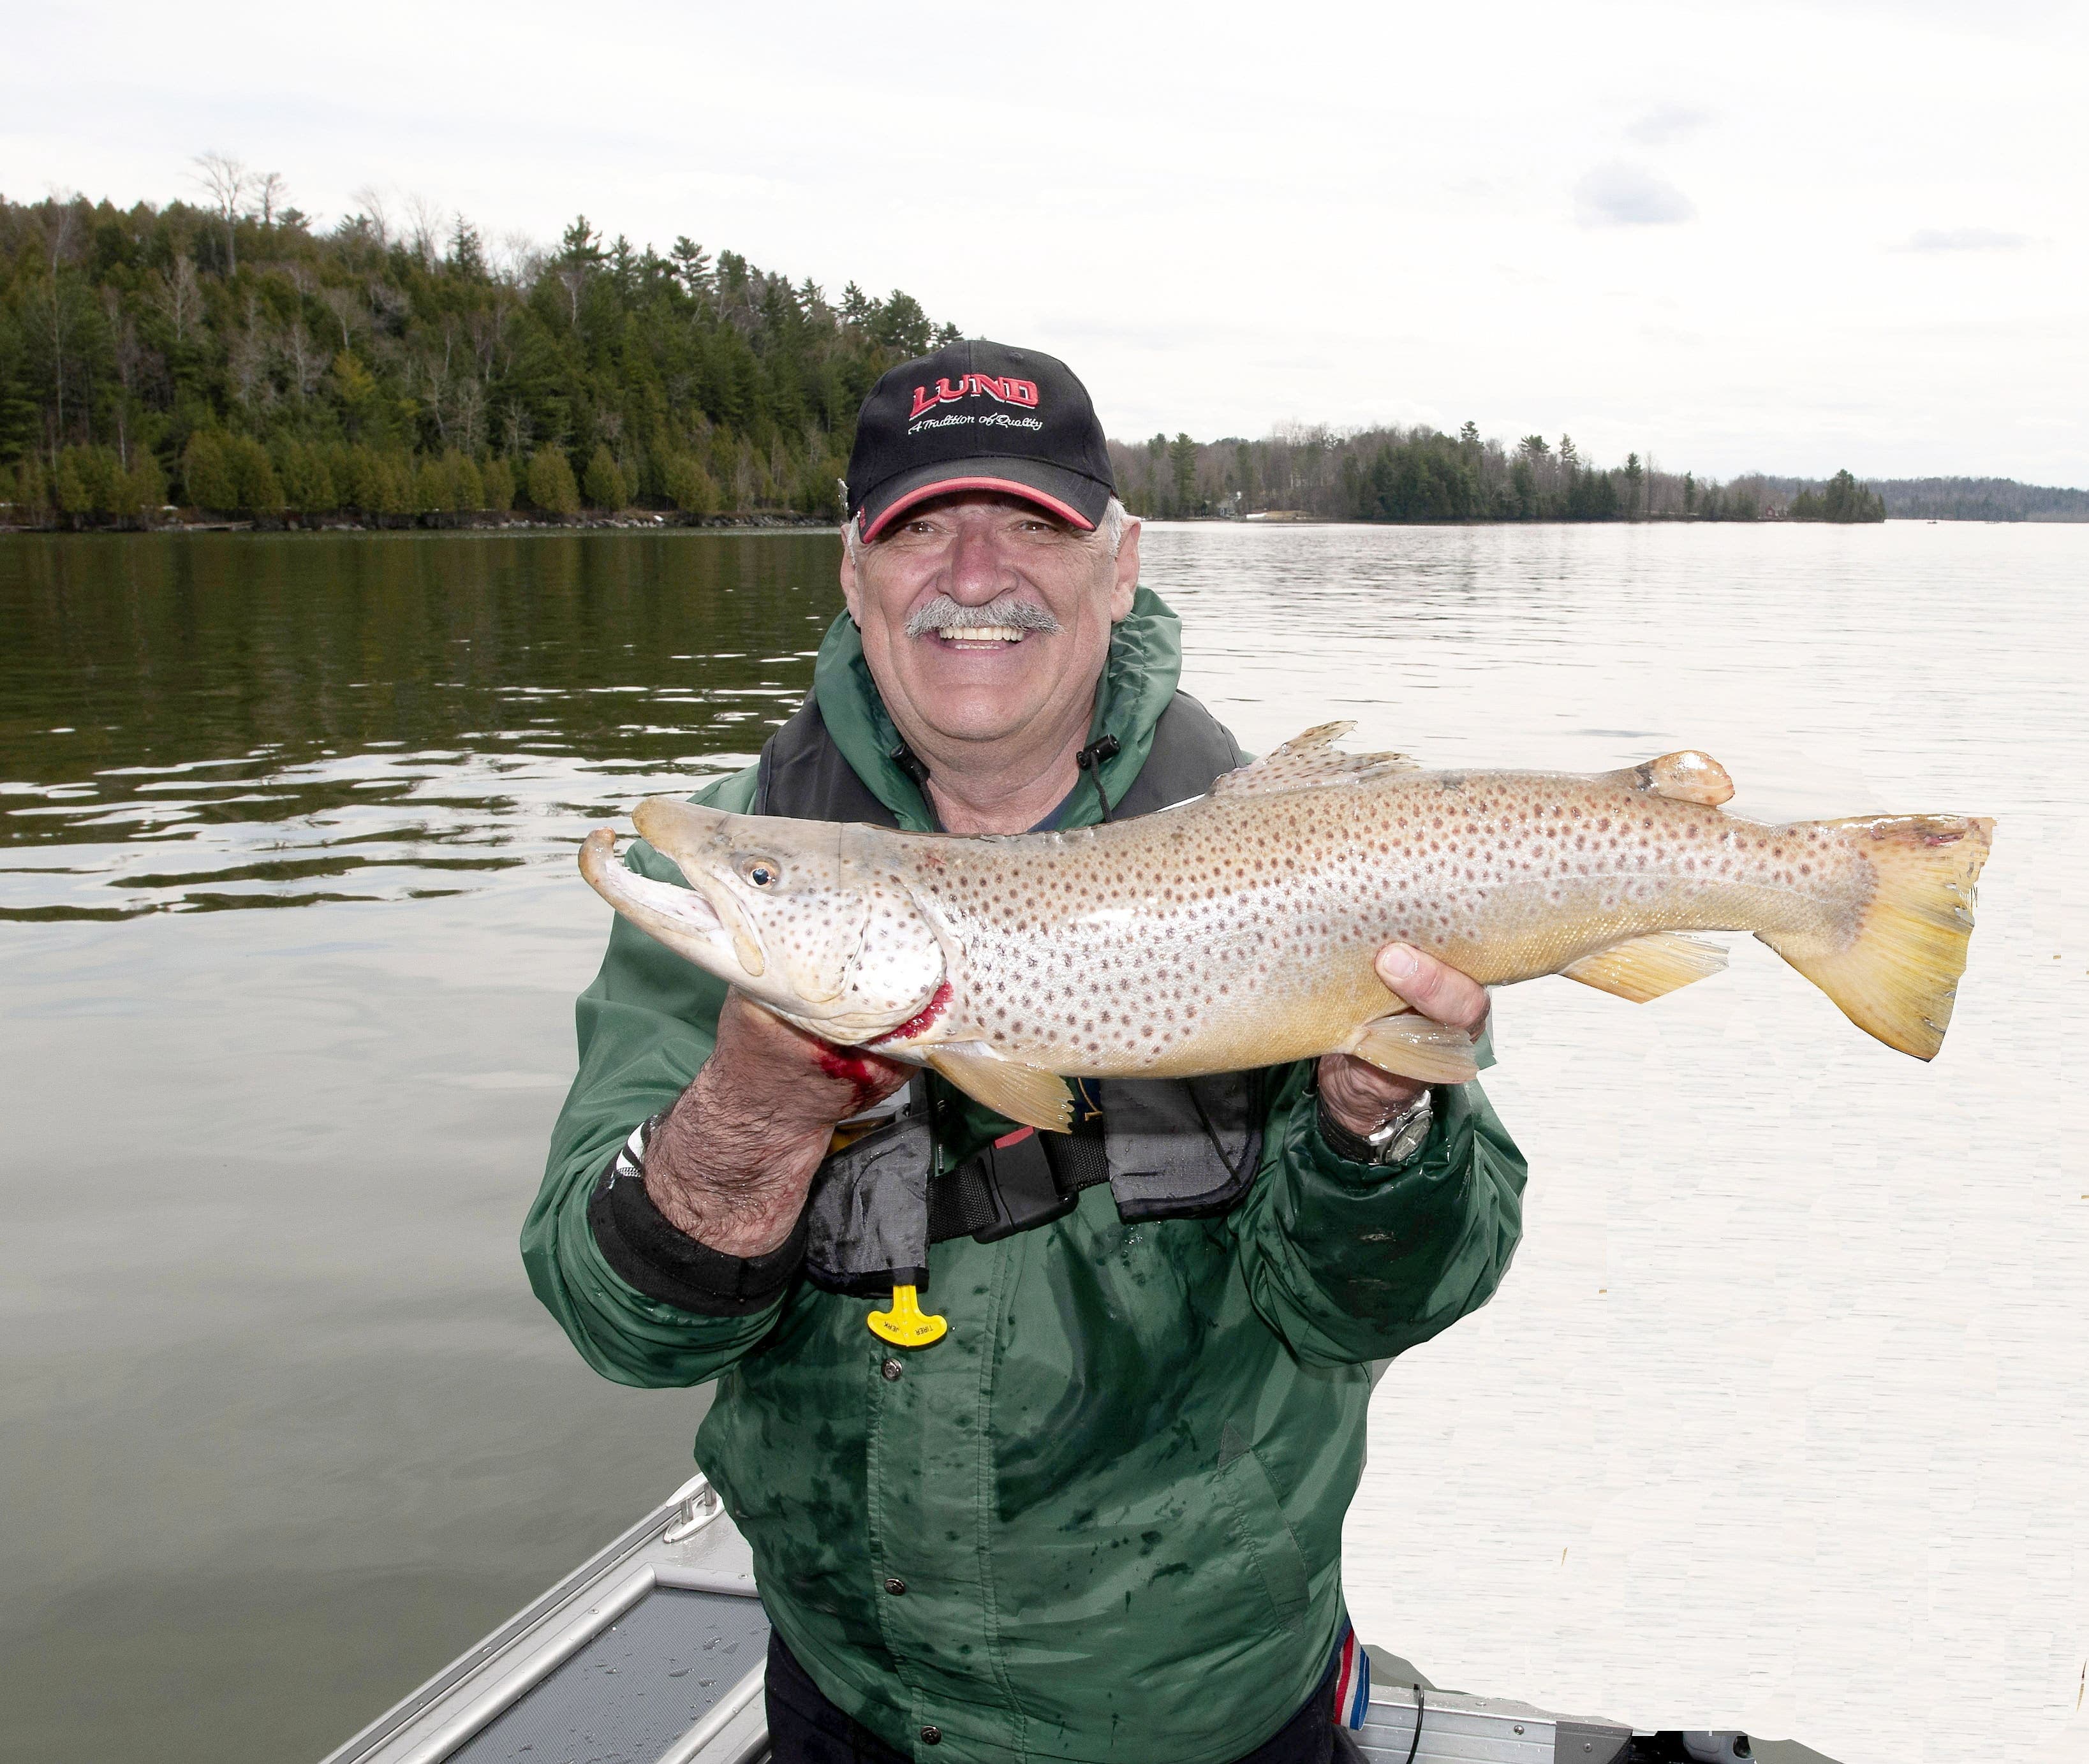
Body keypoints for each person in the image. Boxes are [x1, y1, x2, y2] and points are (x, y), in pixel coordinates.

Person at [524, 340, 1526, 1764]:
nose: (975, 572)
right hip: (859, 1700)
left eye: (1031, 525)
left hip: (1216, 1710)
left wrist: (1380, 1122)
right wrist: (749, 1111)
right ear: (854, 574)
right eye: (920, 526)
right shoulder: (750, 872)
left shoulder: (1307, 863)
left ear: (1119, 566)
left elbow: (1391, 1302)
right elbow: (621, 1328)